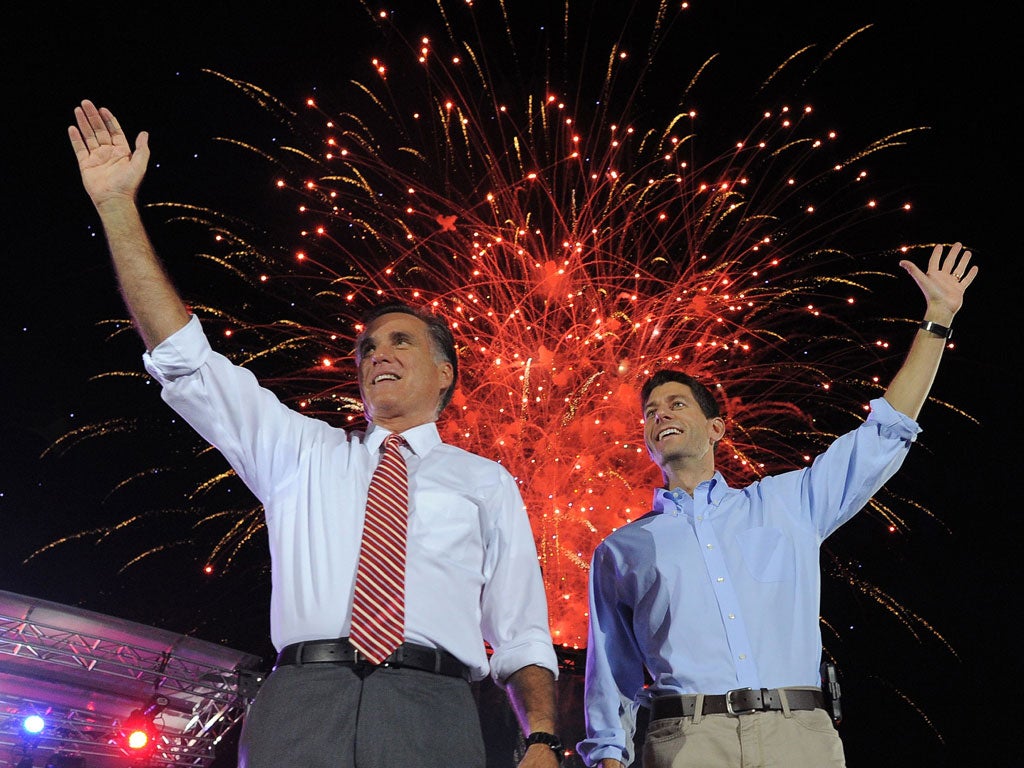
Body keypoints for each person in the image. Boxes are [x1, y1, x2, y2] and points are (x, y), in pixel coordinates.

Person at [68, 99, 567, 768]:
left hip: (435, 711)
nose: (376, 354)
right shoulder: (298, 452)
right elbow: (187, 360)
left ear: (446, 373)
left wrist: (540, 736)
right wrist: (117, 207)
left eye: (400, 342)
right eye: (365, 347)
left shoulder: (485, 482)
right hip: (301, 706)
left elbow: (521, 630)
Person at [577, 242, 977, 767]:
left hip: (799, 735)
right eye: (650, 412)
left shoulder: (789, 503)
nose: (660, 415)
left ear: (717, 428)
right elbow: (611, 670)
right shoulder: (622, 550)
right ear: (647, 440)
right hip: (688, 742)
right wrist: (607, 757)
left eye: (676, 404)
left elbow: (884, 433)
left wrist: (938, 320)